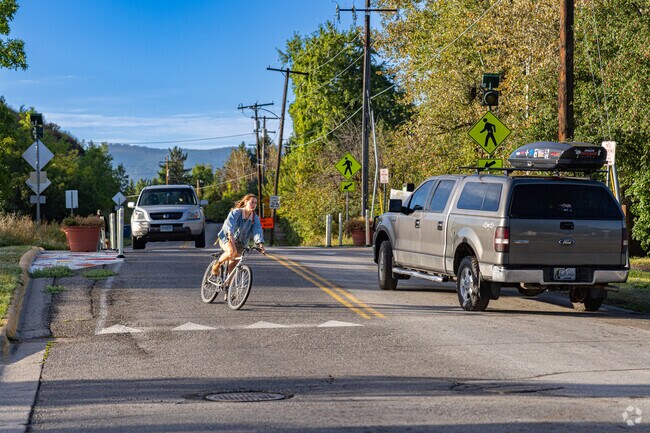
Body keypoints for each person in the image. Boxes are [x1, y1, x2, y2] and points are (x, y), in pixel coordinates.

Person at [212, 193, 266, 277]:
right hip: (226, 238)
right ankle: (217, 265)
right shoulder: (237, 212)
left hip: (241, 243)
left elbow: (257, 230)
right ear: (245, 202)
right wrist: (230, 235)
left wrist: (260, 243)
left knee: (232, 269)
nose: (254, 205)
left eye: (255, 203)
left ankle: (227, 287)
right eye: (252, 202)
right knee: (232, 252)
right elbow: (230, 223)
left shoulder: (255, 218)